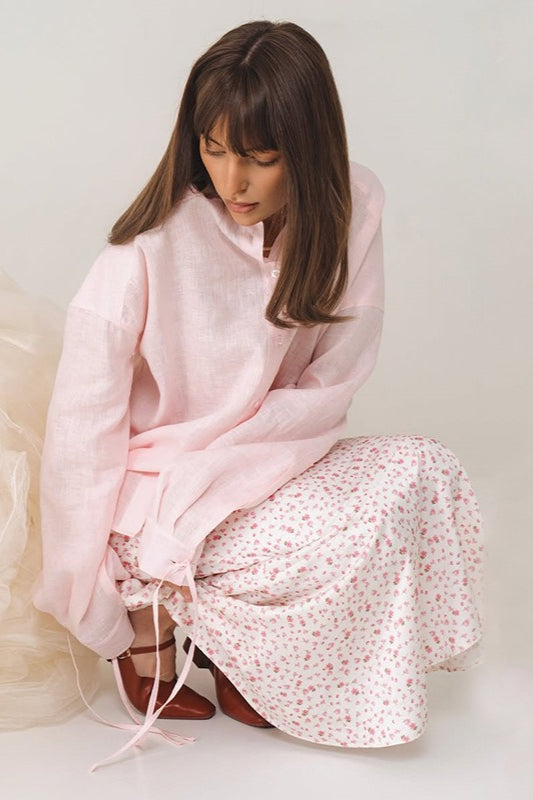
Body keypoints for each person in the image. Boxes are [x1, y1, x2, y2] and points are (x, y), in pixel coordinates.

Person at [27, 20, 483, 763]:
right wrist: (96, 606)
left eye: (261, 159)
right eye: (212, 150)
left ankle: (240, 645)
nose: (231, 181)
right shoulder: (147, 247)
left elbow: (331, 382)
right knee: (225, 529)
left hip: (274, 455)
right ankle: (155, 614)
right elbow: (82, 433)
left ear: (307, 148)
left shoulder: (353, 205)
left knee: (420, 469)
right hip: (160, 491)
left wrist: (242, 467)